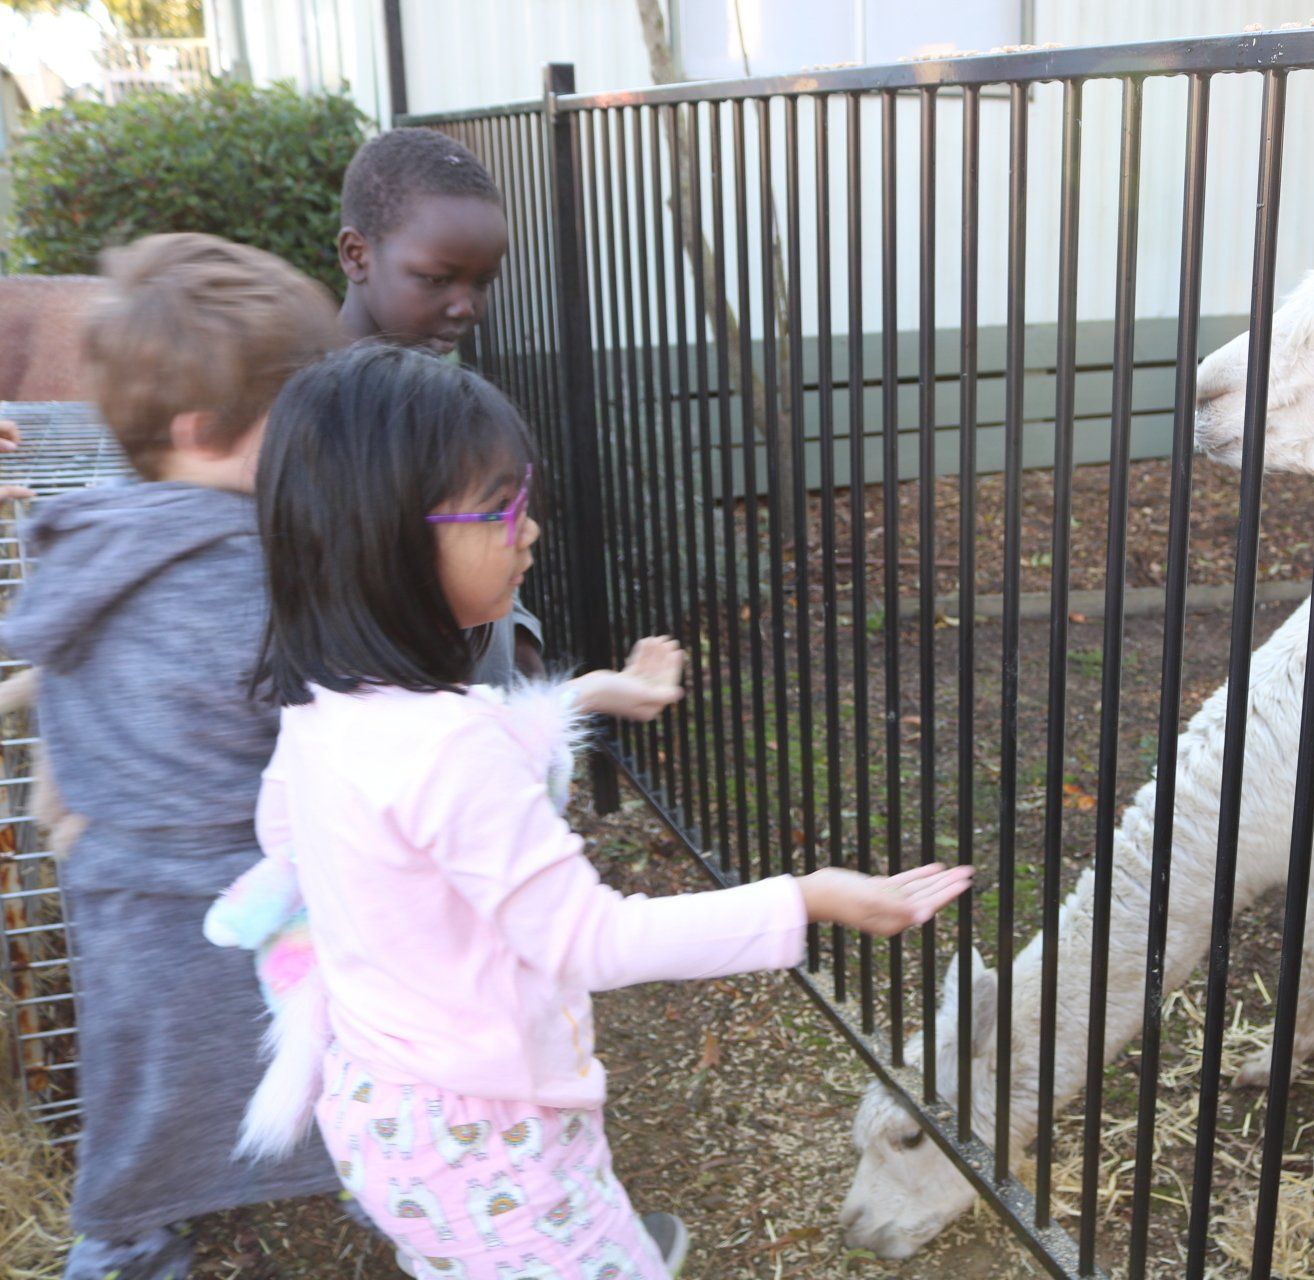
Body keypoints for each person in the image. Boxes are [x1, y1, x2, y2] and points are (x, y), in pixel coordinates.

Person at [221, 343, 973, 1278]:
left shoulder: (323, 708)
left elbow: (309, 832)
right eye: (501, 507)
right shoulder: (447, 747)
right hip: (494, 1136)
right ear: (384, 540)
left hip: (389, 1115)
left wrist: (589, 694)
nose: (530, 528)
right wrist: (805, 898)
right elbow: (588, 939)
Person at [0, 233, 351, 1280]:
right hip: (256, 894)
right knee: (362, 1058)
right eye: (295, 416)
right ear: (203, 430)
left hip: (119, 900)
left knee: (139, 1091)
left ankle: (122, 1243)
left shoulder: (86, 544)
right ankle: (465, 1204)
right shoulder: (248, 566)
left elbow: (66, 687)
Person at [334, 126, 541, 687]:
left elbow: (486, 541)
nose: (465, 306)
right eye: (436, 279)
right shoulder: (324, 422)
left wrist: (521, 640)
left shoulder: (444, 398)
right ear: (357, 255)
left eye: (482, 282)